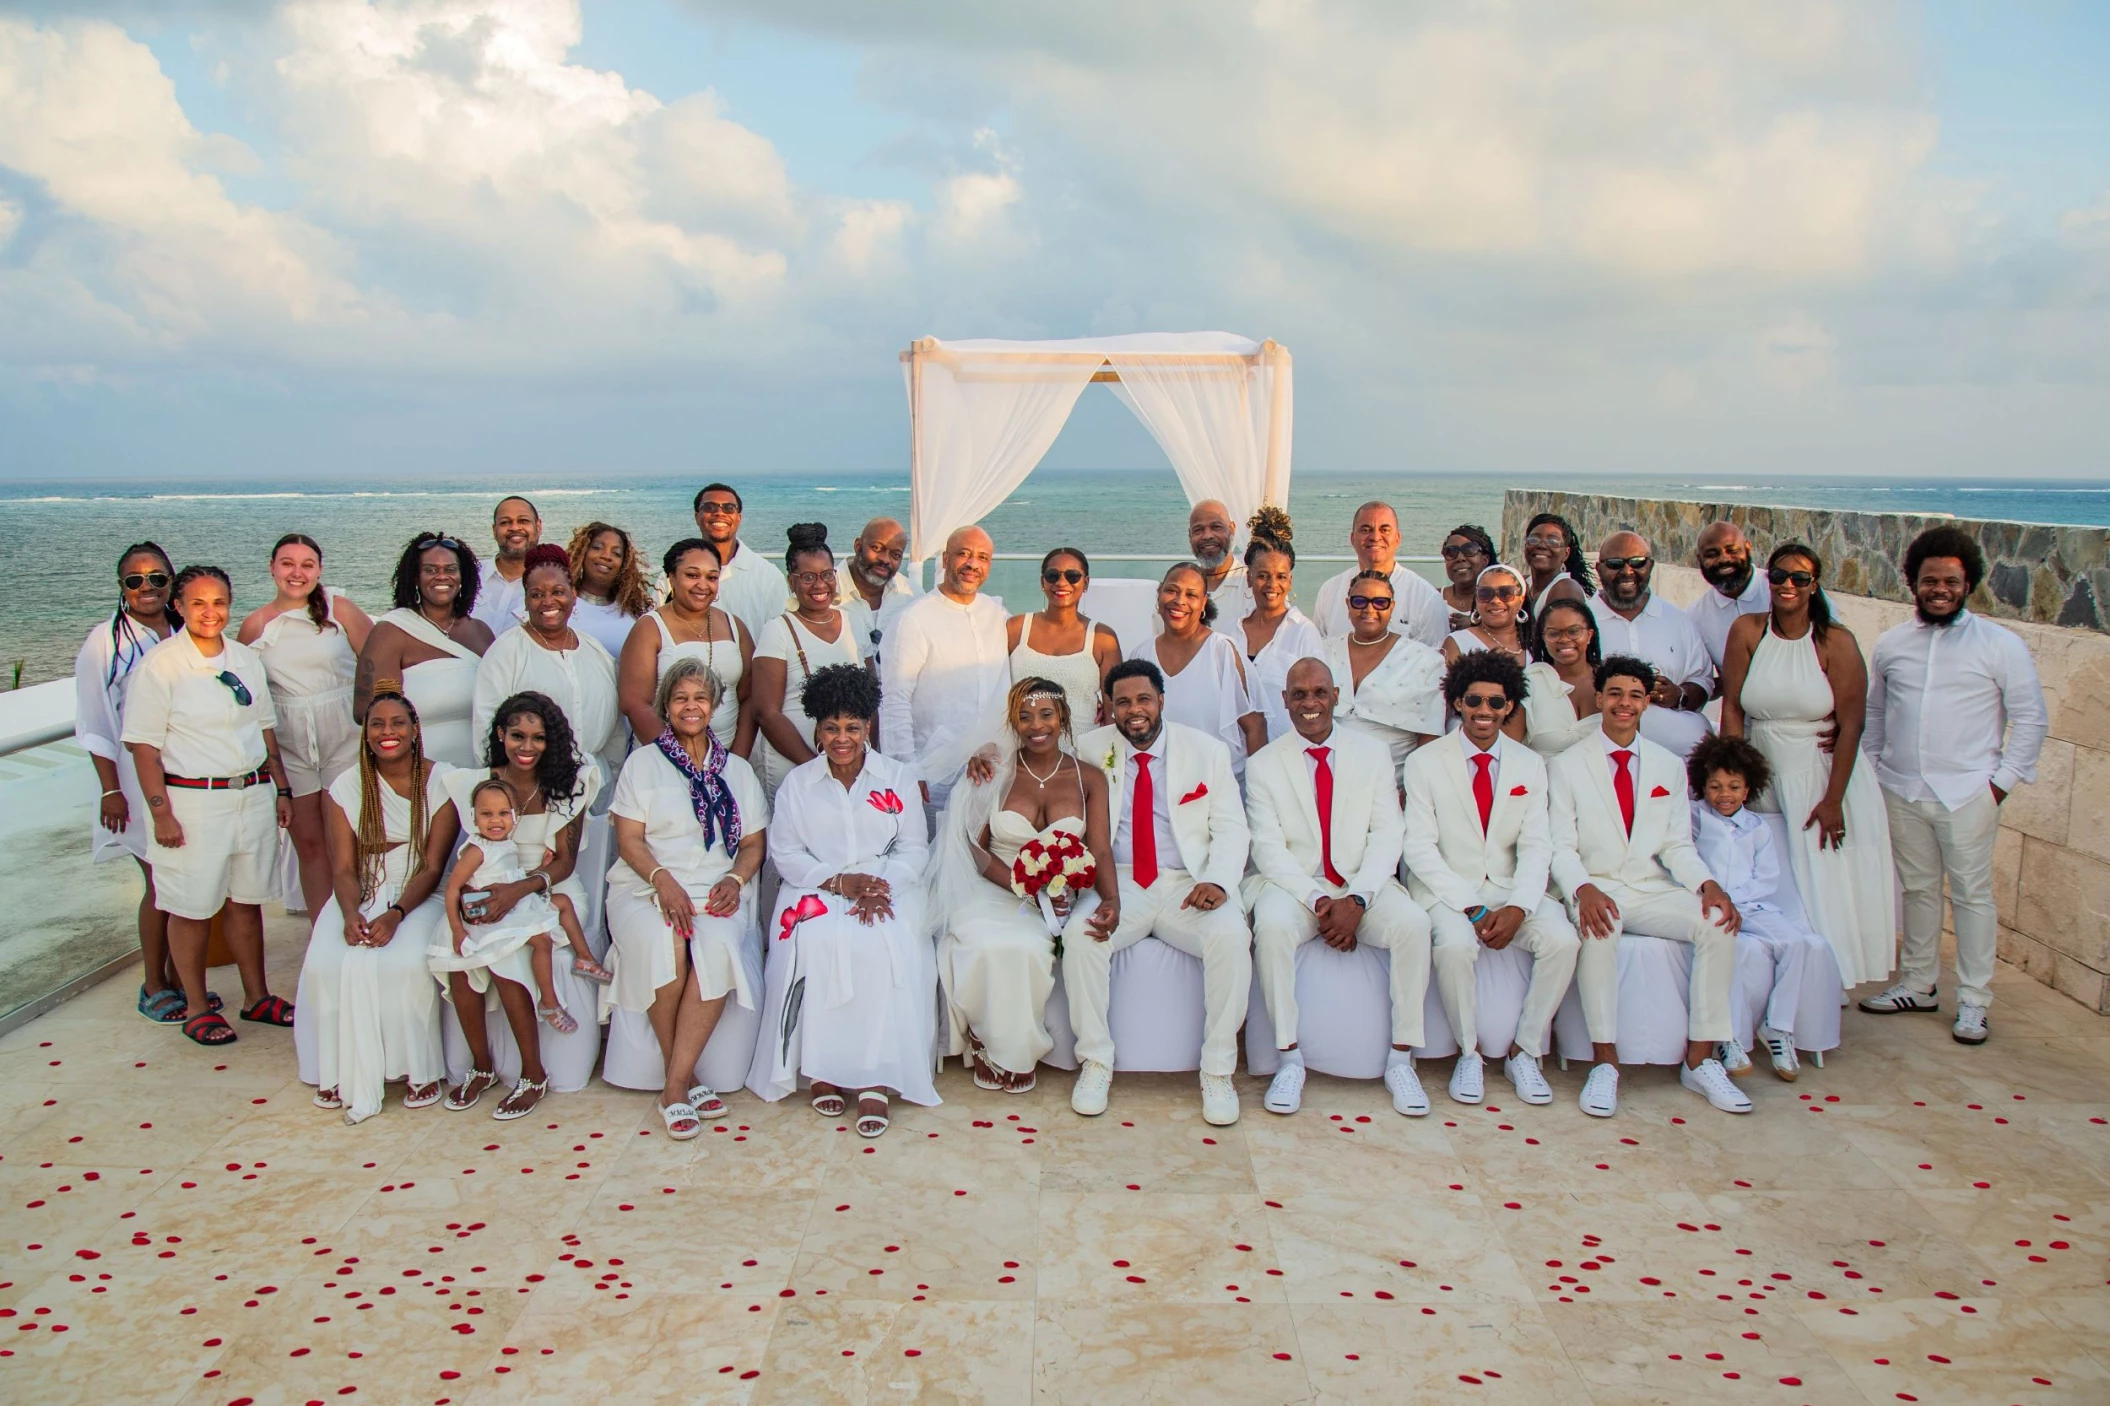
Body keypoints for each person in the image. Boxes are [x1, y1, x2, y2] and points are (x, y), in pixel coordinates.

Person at [1859, 526, 2047, 1045]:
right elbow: (1876, 711)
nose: (1938, 589)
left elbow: (2030, 718)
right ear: (1913, 583)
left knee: (1972, 895)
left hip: (1969, 792)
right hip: (1901, 787)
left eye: (1950, 581)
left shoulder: (2000, 645)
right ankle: (1918, 984)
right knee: (1918, 891)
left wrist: (2000, 784)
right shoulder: (1893, 644)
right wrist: (1875, 766)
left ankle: (1974, 1001)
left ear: (1968, 584)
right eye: (1928, 580)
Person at [1548, 655, 1748, 1118]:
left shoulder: (1667, 766)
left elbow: (1678, 845)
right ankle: (1604, 1063)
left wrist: (1708, 884)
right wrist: (1582, 890)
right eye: (1615, 693)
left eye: (1635, 695)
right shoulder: (1566, 766)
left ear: (1646, 703)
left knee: (1717, 922)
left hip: (1650, 887)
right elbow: (1560, 846)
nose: (1624, 703)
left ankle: (1700, 1060)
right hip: (1594, 887)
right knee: (1600, 929)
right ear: (1599, 699)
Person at [1062, 660, 1252, 1127]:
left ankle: (1218, 1069)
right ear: (1108, 708)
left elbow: (1231, 828)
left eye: (1143, 699)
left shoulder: (1205, 751)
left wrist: (1219, 881)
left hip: (1187, 882)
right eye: (1122, 702)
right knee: (1081, 939)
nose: (1134, 711)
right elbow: (1035, 767)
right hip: (1118, 880)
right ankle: (1096, 1061)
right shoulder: (1088, 749)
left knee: (1229, 938)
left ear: (1162, 700)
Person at [752, 665, 935, 1136]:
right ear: (816, 726)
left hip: (887, 886)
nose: (841, 738)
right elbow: (786, 853)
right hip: (816, 887)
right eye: (831, 727)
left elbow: (915, 847)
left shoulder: (897, 778)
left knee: (881, 942)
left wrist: (879, 884)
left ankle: (875, 1078)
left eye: (852, 727)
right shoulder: (798, 785)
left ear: (868, 726)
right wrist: (836, 882)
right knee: (815, 941)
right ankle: (822, 1069)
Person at [1248, 659, 1433, 1117]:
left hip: (1362, 881)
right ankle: (1288, 1059)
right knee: (1270, 928)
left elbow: (1388, 834)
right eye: (1298, 695)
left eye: (1318, 693)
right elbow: (1269, 850)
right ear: (1286, 701)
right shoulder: (1263, 765)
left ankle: (1401, 1058)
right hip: (1298, 885)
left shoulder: (1371, 755)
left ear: (1335, 695)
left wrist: (1358, 898)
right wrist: (1319, 901)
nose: (1309, 704)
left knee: (1413, 924)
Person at [121, 565, 297, 1046]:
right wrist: (160, 812)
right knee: (191, 906)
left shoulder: (243, 658)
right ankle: (197, 1006)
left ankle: (256, 996)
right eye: (198, 603)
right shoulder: (161, 666)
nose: (209, 612)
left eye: (218, 602)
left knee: (247, 901)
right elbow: (143, 747)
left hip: (251, 794)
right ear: (178, 606)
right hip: (192, 802)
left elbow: (264, 729)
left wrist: (280, 788)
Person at [1403, 653, 1581, 1110]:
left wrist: (1520, 906)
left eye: (1495, 702)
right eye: (1474, 700)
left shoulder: (1529, 765)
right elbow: (1420, 849)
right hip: (1446, 888)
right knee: (1457, 945)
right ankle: (1469, 1052)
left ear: (1509, 707)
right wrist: (1472, 907)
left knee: (1563, 939)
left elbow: (1537, 846)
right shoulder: (1425, 762)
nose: (1484, 710)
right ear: (1458, 702)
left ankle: (1526, 1050)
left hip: (1507, 887)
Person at [1719, 543, 1894, 991]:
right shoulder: (1747, 631)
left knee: (1822, 880)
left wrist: (1833, 799)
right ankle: (1771, 981)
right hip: (1761, 770)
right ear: (1768, 580)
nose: (1788, 586)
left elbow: (1852, 723)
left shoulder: (1836, 642)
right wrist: (1731, 776)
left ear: (1815, 585)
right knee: (1772, 878)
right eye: (1779, 576)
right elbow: (1734, 709)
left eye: (1800, 578)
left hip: (1819, 772)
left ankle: (1824, 985)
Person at [933, 676, 1119, 1093]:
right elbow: (974, 849)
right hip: (995, 888)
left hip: (1058, 899)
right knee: (988, 944)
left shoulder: (1089, 777)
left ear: (1064, 718)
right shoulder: (993, 771)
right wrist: (1023, 886)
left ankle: (1012, 1052)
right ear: (1013, 723)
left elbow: (1101, 849)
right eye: (1024, 716)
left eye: (1046, 714)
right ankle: (983, 1040)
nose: (1036, 725)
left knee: (1033, 949)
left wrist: (1111, 898)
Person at [605, 660, 767, 1139]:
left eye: (700, 697)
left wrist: (736, 879)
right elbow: (629, 840)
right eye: (680, 698)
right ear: (666, 707)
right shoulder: (644, 764)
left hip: (717, 889)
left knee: (715, 945)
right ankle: (683, 1086)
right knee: (666, 942)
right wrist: (662, 880)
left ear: (715, 706)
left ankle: (673, 1083)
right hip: (645, 885)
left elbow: (754, 844)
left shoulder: (736, 770)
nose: (691, 706)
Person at [297, 691, 457, 1123]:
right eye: (377, 725)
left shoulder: (442, 781)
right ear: (365, 734)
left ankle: (415, 1069)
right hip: (364, 886)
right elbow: (344, 868)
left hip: (418, 890)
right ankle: (336, 1071)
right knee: (325, 963)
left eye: (398, 723)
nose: (388, 733)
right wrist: (352, 914)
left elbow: (432, 864)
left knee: (403, 963)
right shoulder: (345, 786)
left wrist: (397, 914)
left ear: (415, 729)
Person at [435, 692, 596, 1121]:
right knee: (461, 962)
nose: (527, 746)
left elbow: (565, 860)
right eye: (517, 735)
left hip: (546, 886)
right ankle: (482, 1065)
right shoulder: (480, 784)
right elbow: (463, 856)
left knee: (506, 958)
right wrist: (478, 900)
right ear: (501, 734)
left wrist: (520, 890)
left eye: (539, 737)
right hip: (488, 881)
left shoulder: (566, 784)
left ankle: (533, 1072)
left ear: (552, 741)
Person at [74, 542, 182, 1022]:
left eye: (157, 578)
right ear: (121, 587)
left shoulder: (185, 631)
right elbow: (95, 722)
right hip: (136, 782)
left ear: (172, 583)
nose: (147, 588)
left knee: (184, 880)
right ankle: (154, 983)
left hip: (187, 776)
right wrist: (111, 789)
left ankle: (183, 978)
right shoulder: (106, 642)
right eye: (135, 580)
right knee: (158, 881)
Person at [239, 533, 373, 918]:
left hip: (345, 737)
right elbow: (246, 697)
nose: (297, 573)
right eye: (287, 563)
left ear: (319, 570)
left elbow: (376, 665)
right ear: (272, 567)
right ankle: (322, 935)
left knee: (348, 843)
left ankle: (360, 921)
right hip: (290, 744)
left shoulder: (340, 609)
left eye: (307, 564)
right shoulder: (254, 626)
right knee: (310, 848)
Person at [1686, 735, 1832, 1082]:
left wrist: (1736, 898)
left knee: (1797, 943)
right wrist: (1717, 897)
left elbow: (1767, 877)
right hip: (1710, 905)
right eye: (1716, 786)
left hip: (1750, 904)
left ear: (1747, 789)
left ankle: (1778, 1027)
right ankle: (1730, 1037)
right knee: (1728, 950)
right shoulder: (1694, 818)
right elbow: (1686, 859)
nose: (1724, 795)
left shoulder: (1758, 827)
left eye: (1734, 787)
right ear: (1702, 787)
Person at [438, 777, 609, 1036]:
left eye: (503, 813)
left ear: (515, 817)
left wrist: (540, 868)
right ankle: (549, 1003)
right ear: (474, 818)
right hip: (491, 913)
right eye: (487, 814)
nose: (495, 820)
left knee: (563, 902)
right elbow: (453, 888)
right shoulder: (477, 850)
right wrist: (456, 930)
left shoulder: (505, 843)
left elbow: (512, 878)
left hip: (511, 902)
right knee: (542, 941)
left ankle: (584, 959)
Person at [878, 525, 1009, 820]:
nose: (973, 564)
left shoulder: (997, 614)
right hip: (934, 773)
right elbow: (894, 699)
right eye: (963, 554)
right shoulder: (913, 620)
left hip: (993, 770)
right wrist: (908, 769)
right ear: (945, 559)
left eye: (982, 557)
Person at [473, 544, 623, 780]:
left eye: (558, 592)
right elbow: (486, 729)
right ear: (526, 599)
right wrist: (500, 787)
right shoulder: (506, 652)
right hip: (531, 786)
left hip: (597, 785)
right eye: (537, 594)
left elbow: (615, 730)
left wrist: (614, 776)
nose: (548, 601)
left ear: (573, 595)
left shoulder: (595, 651)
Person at [357, 534, 494, 767]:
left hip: (478, 771)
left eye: (450, 569)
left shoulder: (481, 633)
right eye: (430, 570)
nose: (442, 576)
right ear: (416, 578)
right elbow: (365, 711)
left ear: (463, 577)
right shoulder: (391, 631)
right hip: (416, 772)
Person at [753, 523, 867, 796]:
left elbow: (869, 698)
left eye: (827, 574)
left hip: (847, 762)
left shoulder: (854, 623)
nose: (820, 584)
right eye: (808, 577)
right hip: (794, 764)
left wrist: (863, 760)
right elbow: (767, 713)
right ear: (790, 581)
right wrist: (816, 766)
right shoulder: (777, 630)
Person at [620, 539, 754, 760]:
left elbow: (749, 697)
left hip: (725, 759)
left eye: (711, 577)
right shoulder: (650, 628)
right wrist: (681, 760)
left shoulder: (735, 626)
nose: (703, 585)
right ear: (671, 577)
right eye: (692, 575)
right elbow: (634, 704)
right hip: (662, 760)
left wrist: (736, 760)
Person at [1130, 563, 1266, 775]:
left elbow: (1255, 726)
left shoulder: (1222, 651)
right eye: (1171, 590)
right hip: (1159, 787)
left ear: (1203, 603)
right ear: (1159, 595)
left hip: (1219, 785)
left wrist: (1259, 794)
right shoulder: (1141, 655)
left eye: (1191, 595)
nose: (1179, 600)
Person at [1589, 532, 1713, 757]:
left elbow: (1703, 681)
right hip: (1605, 756)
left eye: (1638, 563)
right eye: (1615, 564)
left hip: (1682, 756)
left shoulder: (1677, 619)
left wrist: (1678, 696)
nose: (1627, 572)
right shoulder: (1582, 621)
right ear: (1598, 569)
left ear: (1651, 566)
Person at [1319, 571, 1447, 768]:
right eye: (1360, 601)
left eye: (1380, 602)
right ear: (1348, 604)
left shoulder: (1424, 661)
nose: (1369, 609)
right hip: (1326, 774)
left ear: (1392, 606)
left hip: (1393, 781)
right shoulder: (1322, 651)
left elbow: (1430, 735)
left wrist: (1413, 786)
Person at [1224, 508, 1324, 744]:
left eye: (1280, 576)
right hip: (1233, 753)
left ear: (1290, 580)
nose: (1272, 584)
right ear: (1249, 578)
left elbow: (1317, 700)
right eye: (1263, 575)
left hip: (1284, 753)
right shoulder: (1230, 631)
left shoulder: (1302, 631)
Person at [1008, 546, 1120, 729]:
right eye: (1053, 575)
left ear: (1086, 583)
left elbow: (1112, 709)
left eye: (1072, 576)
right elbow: (992, 690)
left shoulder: (1102, 638)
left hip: (1082, 747)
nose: (1061, 582)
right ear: (1042, 581)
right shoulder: (1015, 628)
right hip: (1023, 745)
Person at [1312, 501, 1450, 646]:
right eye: (1365, 530)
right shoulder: (1329, 590)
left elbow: (1436, 660)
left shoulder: (1425, 597)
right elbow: (1318, 650)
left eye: (1385, 530)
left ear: (1398, 538)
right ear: (1352, 538)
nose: (1375, 537)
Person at [688, 482, 791, 639]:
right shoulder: (674, 575)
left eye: (729, 508)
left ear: (738, 518)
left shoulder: (768, 576)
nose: (719, 513)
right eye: (710, 507)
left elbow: (780, 639)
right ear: (697, 516)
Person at [1522, 598, 1604, 757]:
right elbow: (1510, 748)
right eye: (1553, 633)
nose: (1565, 639)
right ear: (1543, 638)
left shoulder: (1611, 682)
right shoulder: (1529, 682)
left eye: (1574, 631)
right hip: (1544, 780)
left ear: (1589, 635)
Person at [1690, 521, 1771, 673]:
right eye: (1712, 554)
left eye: (1732, 550)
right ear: (1699, 560)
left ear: (1748, 548)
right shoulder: (1695, 618)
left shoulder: (1781, 590)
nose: (1724, 559)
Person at [565, 521, 653, 659]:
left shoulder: (638, 610)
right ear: (582, 552)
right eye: (597, 547)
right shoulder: (560, 603)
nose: (606, 556)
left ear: (624, 564)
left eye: (616, 553)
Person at [839, 516, 916, 666]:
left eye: (896, 555)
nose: (885, 559)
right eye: (877, 548)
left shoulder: (912, 596)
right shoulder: (824, 592)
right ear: (858, 546)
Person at [1442, 563, 1532, 677]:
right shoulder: (1457, 643)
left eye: (1506, 593)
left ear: (1521, 600)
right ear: (1476, 599)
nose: (1495, 600)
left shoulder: (1535, 643)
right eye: (1485, 593)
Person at [470, 496, 540, 634]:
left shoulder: (551, 585)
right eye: (505, 522)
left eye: (523, 521)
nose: (514, 527)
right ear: (494, 530)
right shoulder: (470, 575)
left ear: (538, 527)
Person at [1520, 513, 1594, 619]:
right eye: (1534, 539)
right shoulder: (1525, 583)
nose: (1541, 545)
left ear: (1566, 553)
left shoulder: (1567, 589)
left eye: (1553, 541)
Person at [1187, 498, 1249, 621]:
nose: (1207, 536)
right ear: (1190, 535)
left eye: (1216, 527)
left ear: (1232, 529)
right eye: (1198, 530)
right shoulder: (1182, 587)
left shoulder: (1252, 585)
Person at [1437, 525, 1497, 631]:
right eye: (1451, 552)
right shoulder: (1433, 598)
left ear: (1485, 560)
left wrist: (1476, 626)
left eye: (1470, 549)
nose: (1460, 558)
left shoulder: (1499, 600)